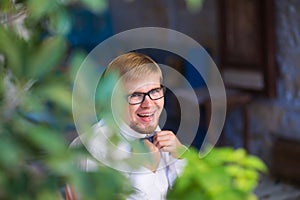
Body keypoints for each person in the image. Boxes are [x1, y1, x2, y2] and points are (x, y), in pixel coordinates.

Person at [69, 52, 187, 200]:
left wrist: (180, 157)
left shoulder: (153, 133)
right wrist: (145, 170)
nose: (149, 104)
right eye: (136, 95)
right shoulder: (95, 147)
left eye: (155, 91)